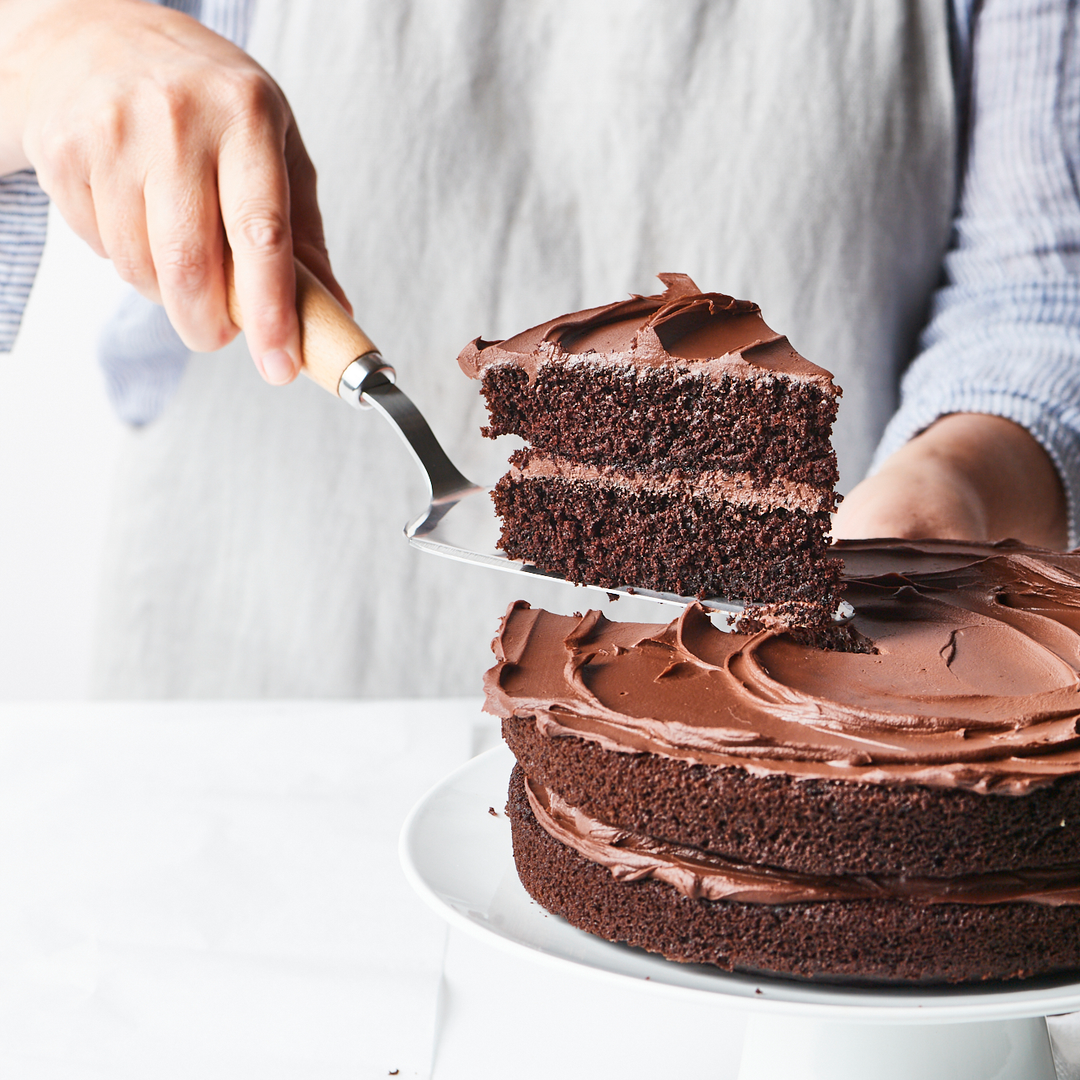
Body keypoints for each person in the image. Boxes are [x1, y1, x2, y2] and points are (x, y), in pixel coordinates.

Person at [0, 0, 1076, 697]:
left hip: (769, 739)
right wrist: (40, 46)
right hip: (246, 730)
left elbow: (1039, 280)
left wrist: (947, 496)